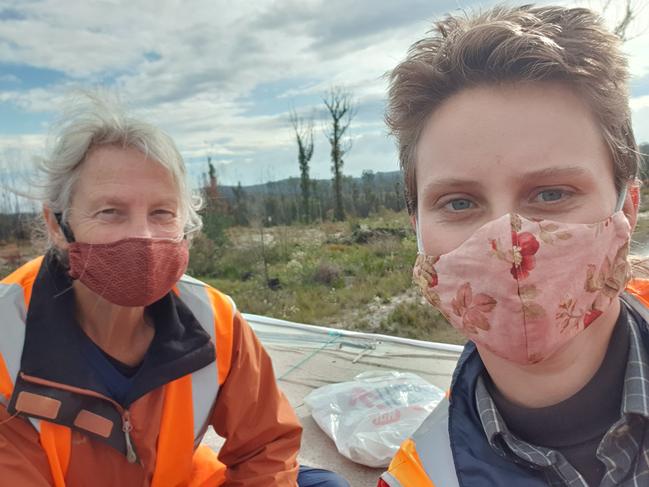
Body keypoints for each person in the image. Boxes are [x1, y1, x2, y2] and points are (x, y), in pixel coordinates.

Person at [0, 94, 349, 487]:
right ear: (56, 225)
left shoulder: (212, 318)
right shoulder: (6, 335)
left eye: (162, 213)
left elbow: (265, 445)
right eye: (110, 212)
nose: (143, 237)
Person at [379, 5, 648, 487]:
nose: (511, 242)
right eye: (459, 202)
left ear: (626, 207)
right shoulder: (421, 477)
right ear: (417, 228)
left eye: (552, 193)